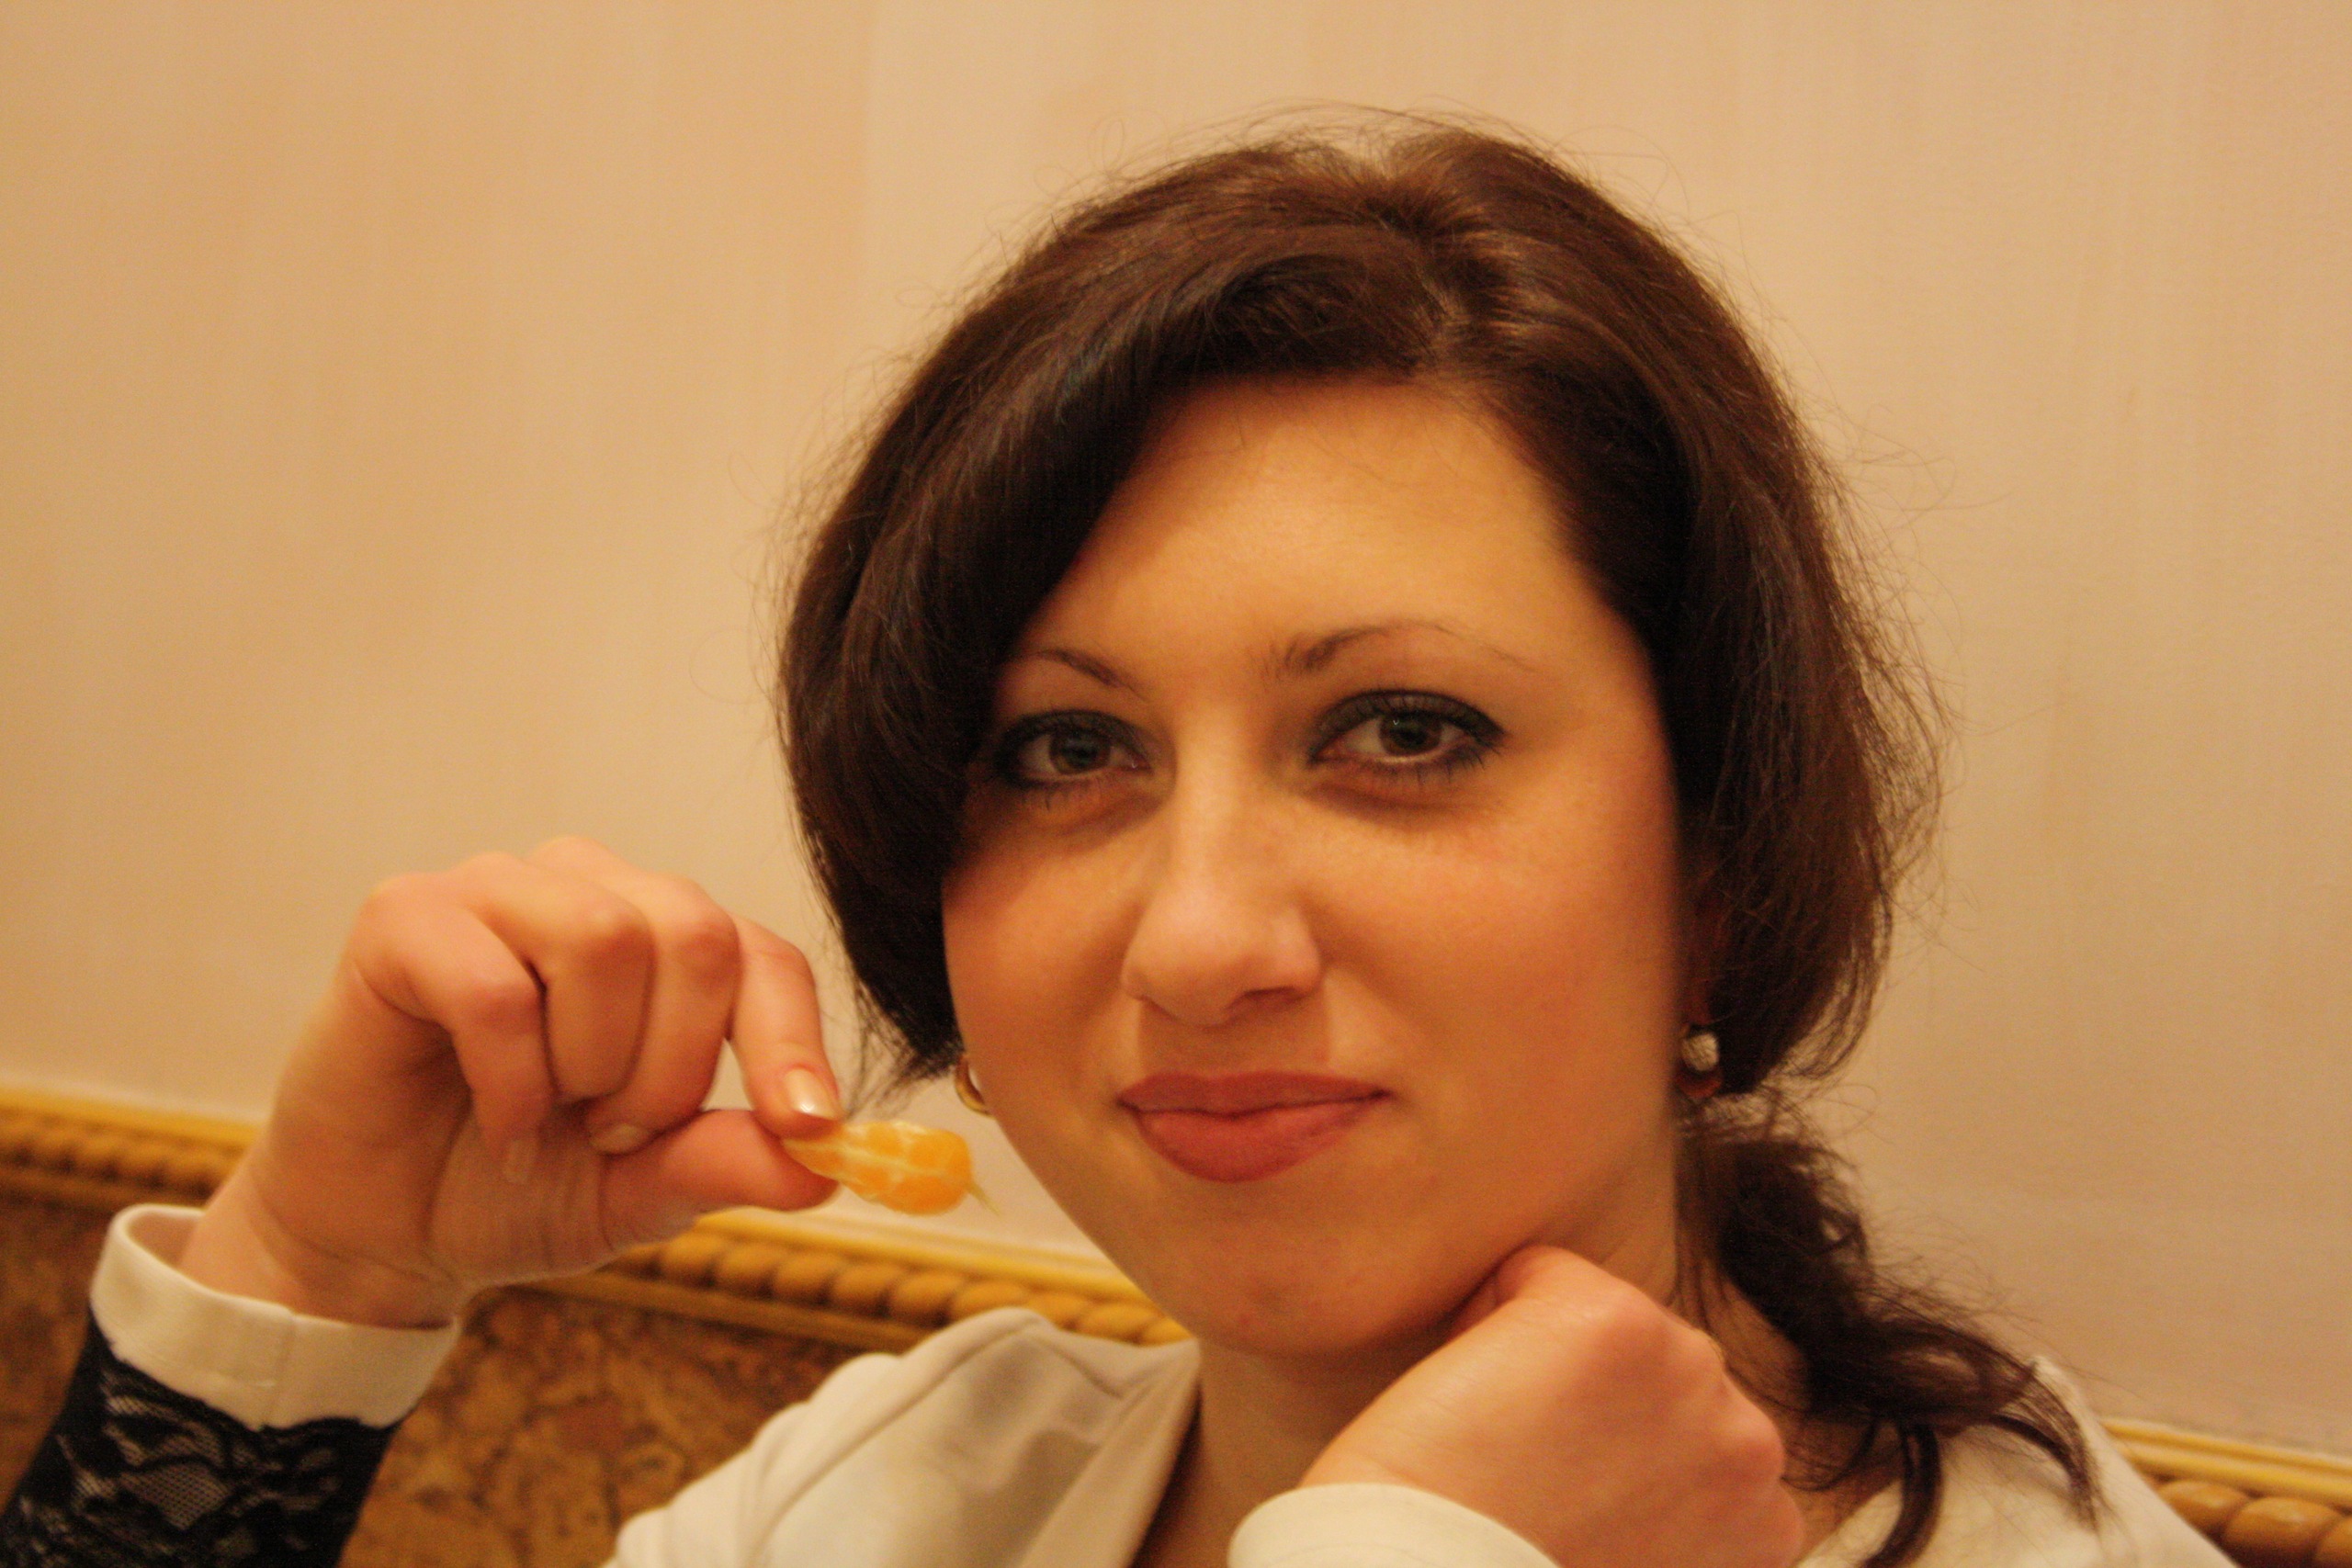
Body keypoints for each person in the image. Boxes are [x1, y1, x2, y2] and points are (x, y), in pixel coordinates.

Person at [0, 118, 2228, 1568]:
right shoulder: (905, 1487)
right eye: (1065, 751)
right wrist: (311, 1267)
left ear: (1719, 856)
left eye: (1403, 731)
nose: (1197, 936)